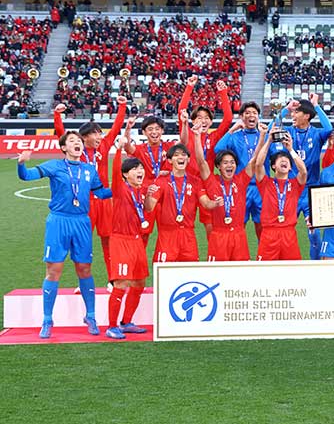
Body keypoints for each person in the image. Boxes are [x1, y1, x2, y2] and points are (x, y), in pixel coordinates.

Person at [17, 131, 112, 338]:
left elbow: (101, 193)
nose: (77, 143)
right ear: (64, 148)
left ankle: (91, 316)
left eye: (78, 140)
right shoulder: (54, 166)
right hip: (59, 221)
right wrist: (22, 163)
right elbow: (26, 176)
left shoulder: (89, 169)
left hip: (81, 222)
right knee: (54, 270)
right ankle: (47, 319)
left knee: (85, 269)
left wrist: (123, 187)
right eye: (72, 141)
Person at [53, 95, 127, 284]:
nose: (99, 136)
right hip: (84, 203)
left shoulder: (103, 146)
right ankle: (83, 282)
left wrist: (122, 105)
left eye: (100, 133)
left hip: (103, 202)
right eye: (95, 133)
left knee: (109, 241)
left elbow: (117, 127)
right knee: (83, 243)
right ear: (84, 137)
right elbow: (61, 133)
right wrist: (57, 115)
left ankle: (113, 280)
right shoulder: (76, 151)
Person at [105, 135, 153, 339]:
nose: (140, 171)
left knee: (139, 282)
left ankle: (126, 322)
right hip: (121, 240)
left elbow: (148, 209)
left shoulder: (141, 191)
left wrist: (149, 194)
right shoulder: (120, 188)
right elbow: (115, 172)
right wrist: (118, 151)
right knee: (121, 283)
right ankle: (111, 326)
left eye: (141, 168)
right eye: (135, 169)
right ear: (125, 175)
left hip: (136, 241)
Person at [276, 95, 333, 259]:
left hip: (312, 191)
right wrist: (285, 109)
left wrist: (316, 106)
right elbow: (271, 130)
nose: (292, 115)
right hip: (291, 189)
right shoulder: (288, 132)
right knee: (283, 228)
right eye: (292, 112)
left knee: (314, 233)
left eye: (295, 112)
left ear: (306, 116)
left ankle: (315, 265)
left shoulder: (316, 134)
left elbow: (328, 128)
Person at [177, 77, 234, 237]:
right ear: (193, 120)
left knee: (210, 224)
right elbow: (182, 109)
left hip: (207, 183)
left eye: (207, 118)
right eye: (199, 117)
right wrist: (189, 87)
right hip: (187, 182)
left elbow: (228, 119)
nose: (203, 120)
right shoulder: (187, 134)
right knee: (183, 221)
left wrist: (223, 93)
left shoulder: (214, 136)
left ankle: (212, 256)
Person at [145, 143, 215, 263]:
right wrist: (147, 195)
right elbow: (149, 207)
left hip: (188, 235)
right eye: (176, 155)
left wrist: (217, 203)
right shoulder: (161, 181)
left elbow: (206, 203)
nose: (181, 157)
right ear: (169, 160)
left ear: (188, 159)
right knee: (164, 273)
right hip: (167, 235)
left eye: (184, 155)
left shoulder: (196, 182)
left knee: (189, 273)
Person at [194, 129, 256, 262]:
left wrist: (263, 137)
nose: (230, 165)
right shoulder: (212, 181)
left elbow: (254, 161)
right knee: (217, 275)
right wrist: (197, 136)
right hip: (219, 236)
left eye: (232, 162)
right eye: (225, 162)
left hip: (239, 235)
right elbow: (201, 162)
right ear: (218, 166)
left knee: (240, 276)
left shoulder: (241, 180)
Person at [252, 125, 307, 261]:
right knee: (265, 274)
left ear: (290, 167)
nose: (284, 160)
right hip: (269, 234)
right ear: (273, 166)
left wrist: (290, 150)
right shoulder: (266, 183)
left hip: (289, 234)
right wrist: (269, 141)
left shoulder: (295, 184)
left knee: (292, 273)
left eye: (287, 160)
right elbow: (258, 165)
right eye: (280, 159)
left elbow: (304, 172)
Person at [214, 102, 265, 239]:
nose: (251, 115)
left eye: (254, 113)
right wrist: (232, 129)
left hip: (261, 188)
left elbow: (276, 157)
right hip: (240, 188)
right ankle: (237, 255)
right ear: (242, 117)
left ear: (258, 117)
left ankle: (263, 258)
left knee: (262, 227)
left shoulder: (264, 136)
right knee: (238, 224)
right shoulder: (236, 136)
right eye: (247, 113)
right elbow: (218, 149)